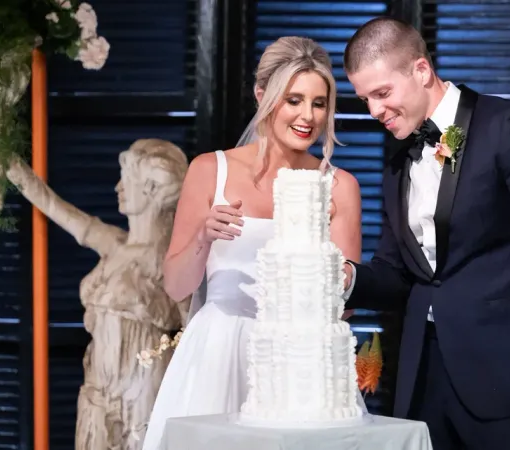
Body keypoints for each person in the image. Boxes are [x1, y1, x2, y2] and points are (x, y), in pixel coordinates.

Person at [341, 17, 510, 449]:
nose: (373, 111)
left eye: (381, 94)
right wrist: (346, 277)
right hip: (422, 375)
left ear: (421, 70)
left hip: (506, 375)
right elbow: (398, 273)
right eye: (365, 99)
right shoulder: (398, 163)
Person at [141, 36, 364, 449]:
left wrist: (329, 266)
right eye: (293, 100)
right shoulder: (210, 170)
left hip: (297, 365)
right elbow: (175, 287)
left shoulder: (339, 188)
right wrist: (203, 237)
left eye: (319, 103)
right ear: (263, 95)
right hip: (217, 354)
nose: (308, 116)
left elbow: (342, 304)